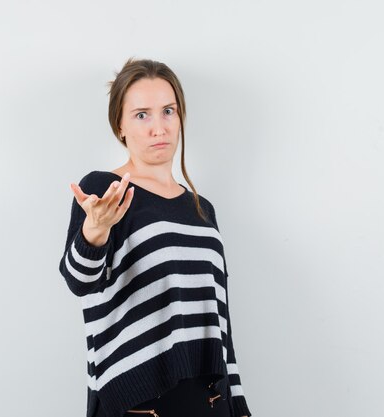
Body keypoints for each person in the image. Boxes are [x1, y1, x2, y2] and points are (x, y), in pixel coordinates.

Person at [59, 57, 252, 417]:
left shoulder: (202, 209)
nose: (158, 128)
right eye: (141, 115)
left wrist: (238, 403)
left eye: (168, 111)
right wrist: (95, 231)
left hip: (209, 398)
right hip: (139, 400)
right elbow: (79, 281)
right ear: (120, 125)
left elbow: (220, 318)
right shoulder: (104, 190)